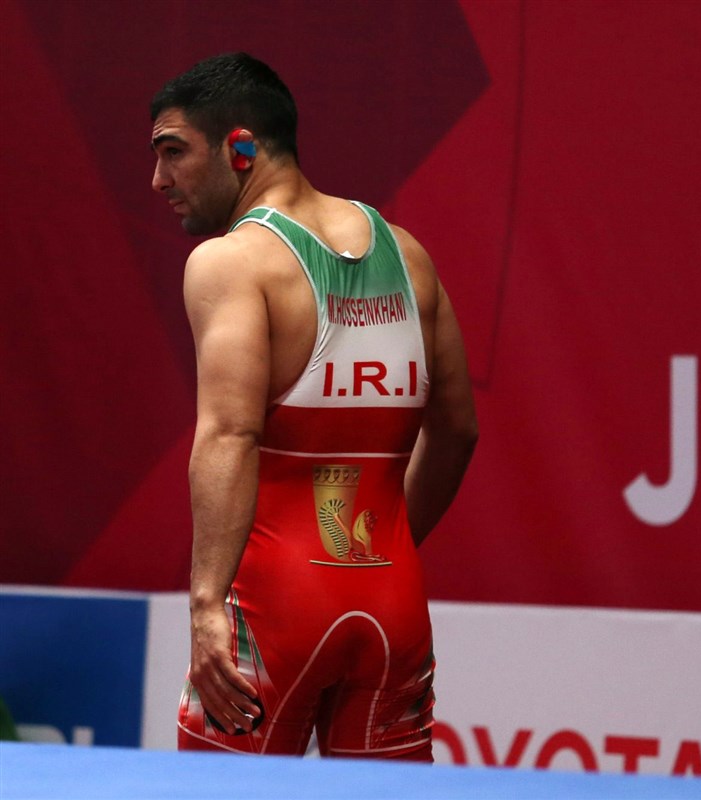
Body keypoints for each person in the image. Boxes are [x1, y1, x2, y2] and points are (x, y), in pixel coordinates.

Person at [150, 53, 478, 759]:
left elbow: (230, 434)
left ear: (240, 148)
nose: (159, 179)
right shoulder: (408, 255)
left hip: (271, 609)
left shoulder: (232, 262)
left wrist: (206, 604)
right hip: (393, 598)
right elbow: (457, 429)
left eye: (174, 152)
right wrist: (382, 550)